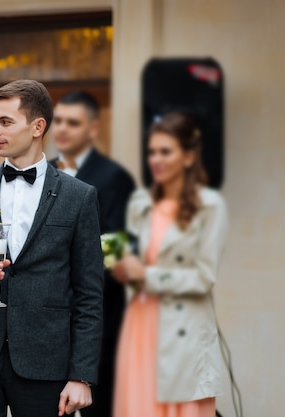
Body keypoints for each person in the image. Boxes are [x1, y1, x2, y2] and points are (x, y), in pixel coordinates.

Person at [0, 79, 104, 417]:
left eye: (5, 122)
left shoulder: (79, 196)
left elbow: (89, 295)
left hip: (46, 365)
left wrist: (82, 376)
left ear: (37, 127)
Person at [112, 112, 227, 417]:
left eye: (165, 151)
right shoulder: (140, 203)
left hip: (183, 332)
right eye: (151, 152)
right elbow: (134, 256)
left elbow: (204, 278)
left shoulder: (210, 206)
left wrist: (147, 275)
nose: (155, 159)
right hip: (140, 324)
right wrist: (122, 265)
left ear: (189, 156)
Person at [49, 90, 135, 417]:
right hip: (48, 327)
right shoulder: (45, 173)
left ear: (93, 128)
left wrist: (64, 293)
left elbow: (113, 251)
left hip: (94, 323)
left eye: (73, 122)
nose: (62, 129)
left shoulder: (114, 178)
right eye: (58, 120)